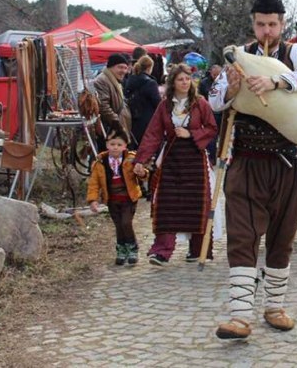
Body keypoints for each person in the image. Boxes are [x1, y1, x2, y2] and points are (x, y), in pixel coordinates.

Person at [210, 0, 297, 340]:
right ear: (253, 23)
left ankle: (274, 306)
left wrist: (277, 80)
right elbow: (214, 101)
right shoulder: (238, 57)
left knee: (282, 234)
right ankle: (240, 315)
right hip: (246, 160)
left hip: (288, 160)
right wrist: (229, 90)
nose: (267, 32)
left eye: (273, 25)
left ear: (282, 23)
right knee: (242, 234)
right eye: (260, 25)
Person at [133, 63, 218, 266]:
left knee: (197, 204)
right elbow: (153, 133)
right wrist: (141, 159)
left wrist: (192, 133)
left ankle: (198, 249)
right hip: (171, 159)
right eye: (180, 79)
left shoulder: (200, 103)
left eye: (187, 79)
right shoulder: (165, 106)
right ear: (173, 82)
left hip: (196, 161)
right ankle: (162, 251)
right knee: (166, 203)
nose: (184, 82)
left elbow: (212, 128)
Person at [86, 125, 145, 266]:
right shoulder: (100, 163)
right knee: (118, 225)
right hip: (112, 199)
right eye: (112, 144)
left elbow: (143, 174)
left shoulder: (131, 159)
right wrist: (93, 200)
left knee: (126, 222)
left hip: (128, 198)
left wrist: (142, 172)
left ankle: (132, 248)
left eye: (119, 144)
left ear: (125, 146)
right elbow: (94, 183)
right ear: (107, 144)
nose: (115, 147)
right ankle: (121, 249)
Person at [93, 53, 132, 151]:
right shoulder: (102, 81)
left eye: (125, 68)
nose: (123, 71)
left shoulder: (114, 80)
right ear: (111, 67)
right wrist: (117, 124)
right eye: (120, 67)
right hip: (110, 128)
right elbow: (103, 106)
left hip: (115, 128)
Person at [124, 55, 161, 146]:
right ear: (149, 67)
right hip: (147, 119)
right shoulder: (150, 83)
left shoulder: (130, 80)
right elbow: (158, 103)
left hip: (132, 118)